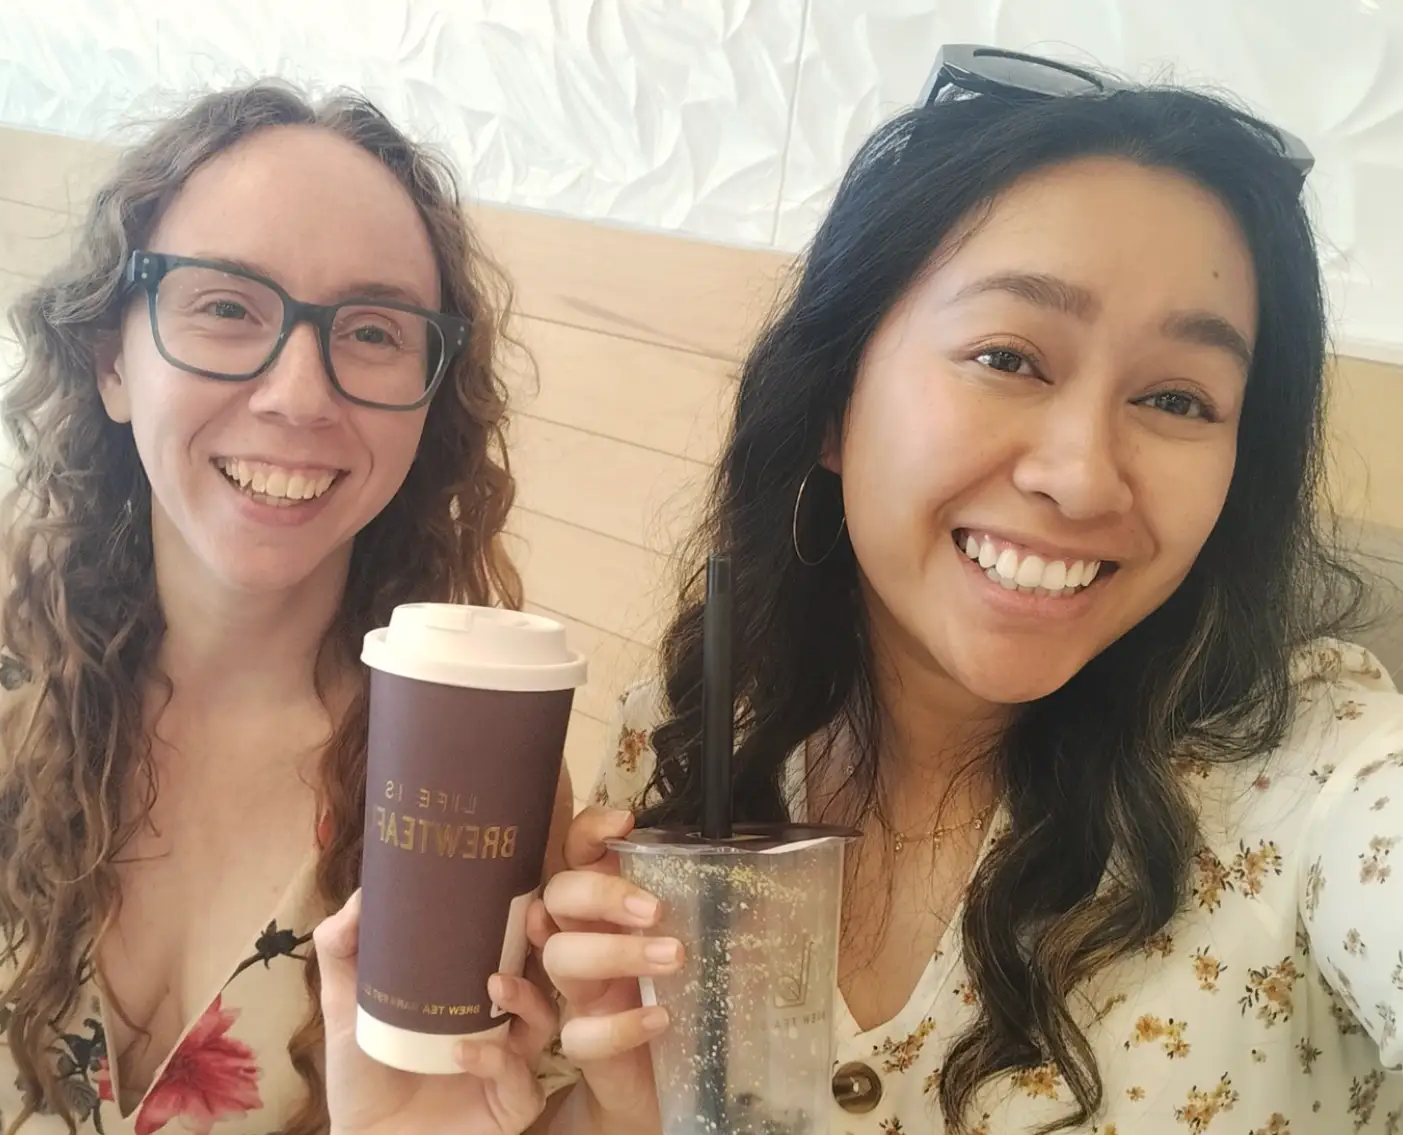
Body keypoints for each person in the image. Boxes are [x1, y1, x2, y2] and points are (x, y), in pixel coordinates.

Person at [537, 49, 1403, 1133]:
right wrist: (624, 1110)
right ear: (831, 402)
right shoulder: (696, 729)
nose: (1082, 475)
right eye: (1009, 357)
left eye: (1179, 396)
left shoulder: (1318, 774)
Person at [0, 83, 570, 1135]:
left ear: (431, 399)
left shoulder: (472, 759)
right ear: (112, 358)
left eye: (372, 331)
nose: (300, 394)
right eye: (226, 305)